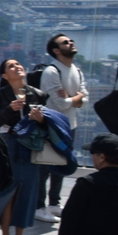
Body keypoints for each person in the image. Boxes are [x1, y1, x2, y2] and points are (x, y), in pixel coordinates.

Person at [0, 58, 50, 235]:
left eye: (18, 64)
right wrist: (10, 110)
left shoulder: (38, 94)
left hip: (30, 144)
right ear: (4, 75)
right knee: (6, 189)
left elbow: (48, 125)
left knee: (27, 190)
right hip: (8, 143)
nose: (17, 67)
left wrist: (41, 120)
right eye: (11, 66)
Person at [39, 33, 86, 218]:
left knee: (61, 164)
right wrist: (77, 97)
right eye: (65, 42)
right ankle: (39, 206)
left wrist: (73, 98)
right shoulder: (52, 72)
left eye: (70, 41)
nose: (71, 43)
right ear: (56, 50)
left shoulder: (77, 70)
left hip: (69, 125)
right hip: (52, 125)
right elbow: (61, 104)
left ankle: (54, 203)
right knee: (44, 166)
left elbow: (85, 99)